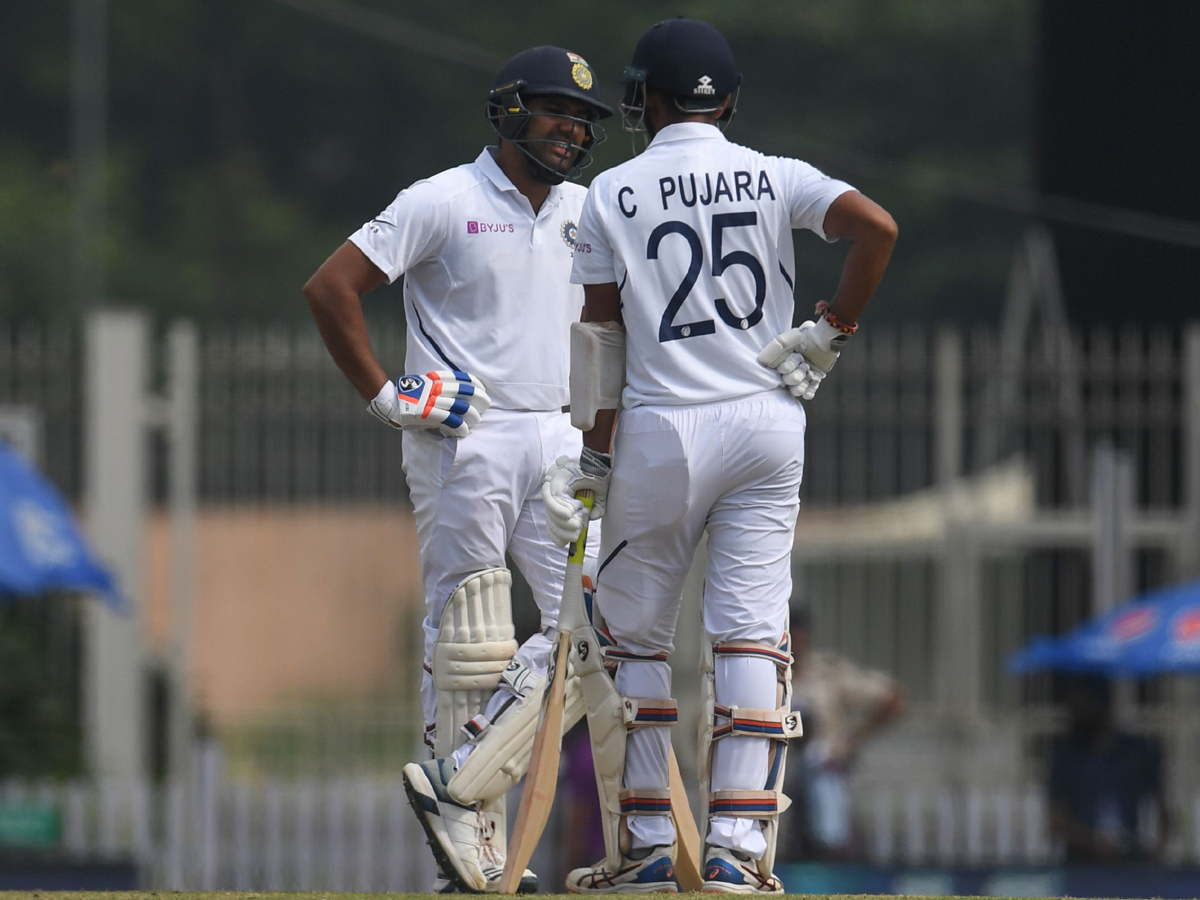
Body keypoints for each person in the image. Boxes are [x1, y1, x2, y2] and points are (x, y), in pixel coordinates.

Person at [541, 17, 897, 894]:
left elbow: (600, 338)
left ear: (650, 100)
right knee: (751, 634)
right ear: (729, 100)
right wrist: (831, 329)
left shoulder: (611, 192)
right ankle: (741, 848)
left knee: (634, 642)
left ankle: (651, 842)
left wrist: (592, 456)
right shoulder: (776, 176)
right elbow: (877, 229)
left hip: (662, 429)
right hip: (767, 422)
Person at [303, 46, 612, 893]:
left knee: (601, 631)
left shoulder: (590, 209)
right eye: (556, 111)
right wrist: (387, 395)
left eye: (583, 118)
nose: (572, 130)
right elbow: (331, 288)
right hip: (463, 437)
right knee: (468, 637)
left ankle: (462, 786)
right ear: (509, 110)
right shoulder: (441, 199)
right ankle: (467, 859)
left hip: (560, 434)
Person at [783, 609, 907, 861]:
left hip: (822, 769)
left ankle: (832, 849)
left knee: (823, 791)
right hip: (780, 772)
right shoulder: (767, 673)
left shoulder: (828, 672)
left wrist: (850, 742)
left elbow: (893, 698)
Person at [1047, 675, 1168, 862]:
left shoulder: (1136, 750)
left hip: (1129, 860)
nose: (1074, 712)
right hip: (1080, 863)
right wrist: (1094, 843)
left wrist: (1156, 853)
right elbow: (1056, 819)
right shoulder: (1066, 754)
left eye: (1082, 703)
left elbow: (1162, 806)